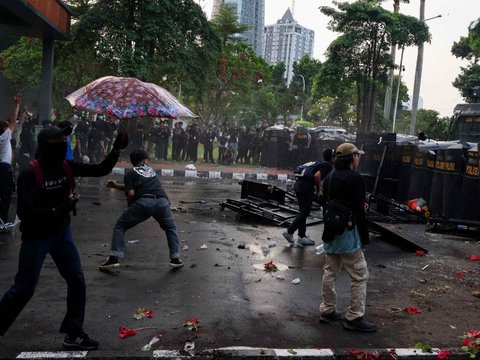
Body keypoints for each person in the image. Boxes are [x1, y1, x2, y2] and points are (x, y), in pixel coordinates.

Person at [0, 125, 129, 349]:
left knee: (77, 280)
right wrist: (62, 207)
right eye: (56, 144)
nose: (61, 148)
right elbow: (25, 214)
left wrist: (116, 148)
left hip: (61, 234)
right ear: (44, 147)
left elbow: (99, 169)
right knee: (24, 288)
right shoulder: (30, 174)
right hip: (36, 237)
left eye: (64, 143)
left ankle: (73, 332)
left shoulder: (66, 166)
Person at [318, 142, 376, 333]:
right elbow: (359, 211)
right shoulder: (355, 178)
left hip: (331, 230)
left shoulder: (330, 177)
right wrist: (365, 237)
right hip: (348, 233)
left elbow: (325, 201)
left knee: (330, 271)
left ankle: (327, 310)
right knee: (360, 275)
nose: (359, 159)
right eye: (358, 156)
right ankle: (354, 316)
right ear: (352, 158)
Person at [99, 149, 183, 270]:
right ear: (144, 160)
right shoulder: (150, 170)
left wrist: (130, 207)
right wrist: (116, 186)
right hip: (163, 202)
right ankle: (175, 259)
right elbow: (138, 187)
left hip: (144, 203)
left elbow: (131, 193)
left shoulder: (130, 173)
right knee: (170, 228)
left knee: (120, 226)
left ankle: (114, 258)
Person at [282, 148, 335, 247]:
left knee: (303, 212)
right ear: (332, 158)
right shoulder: (328, 165)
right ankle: (289, 231)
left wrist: (316, 187)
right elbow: (317, 176)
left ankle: (302, 236)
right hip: (305, 187)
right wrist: (318, 189)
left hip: (299, 185)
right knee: (305, 212)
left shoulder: (319, 163)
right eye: (335, 156)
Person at [0, 93, 22, 228]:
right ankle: (2, 220)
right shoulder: (4, 137)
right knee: (6, 194)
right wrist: (17, 104)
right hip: (4, 168)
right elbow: (14, 121)